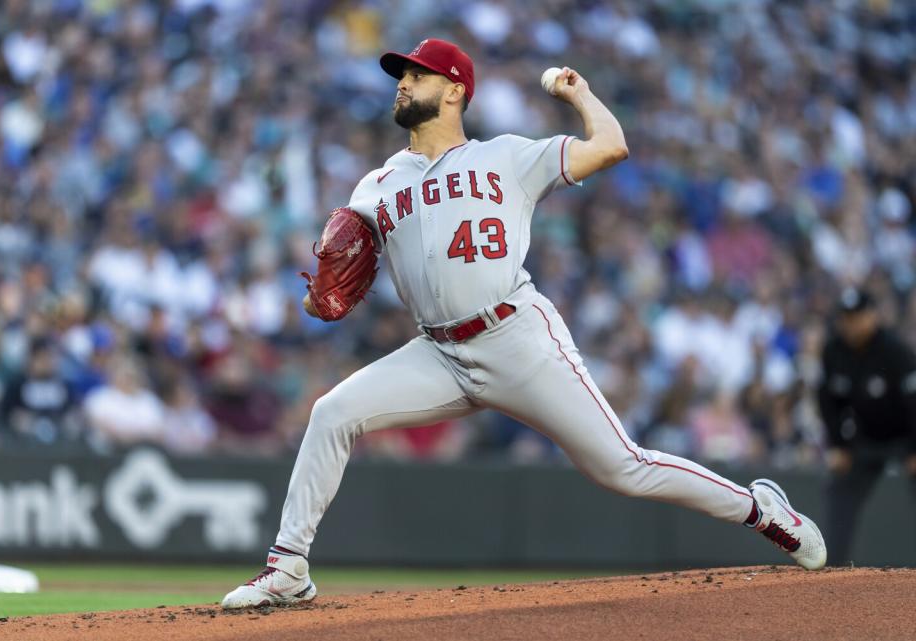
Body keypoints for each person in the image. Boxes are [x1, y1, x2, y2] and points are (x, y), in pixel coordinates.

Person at [221, 38, 826, 609]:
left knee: (623, 468)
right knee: (332, 413)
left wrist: (580, 96)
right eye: (401, 76)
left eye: (415, 74)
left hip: (516, 336)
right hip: (438, 353)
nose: (402, 84)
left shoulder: (506, 155)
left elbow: (611, 145)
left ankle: (762, 511)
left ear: (455, 89)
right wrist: (318, 298)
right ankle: (289, 569)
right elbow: (343, 265)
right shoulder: (376, 185)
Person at [818, 288, 916, 566]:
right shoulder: (834, 351)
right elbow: (828, 402)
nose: (851, 324)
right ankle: (831, 566)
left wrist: (915, 449)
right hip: (866, 439)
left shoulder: (895, 351)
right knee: (838, 488)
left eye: (858, 316)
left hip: (905, 437)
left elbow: (914, 402)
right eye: (846, 318)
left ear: (873, 316)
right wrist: (838, 445)